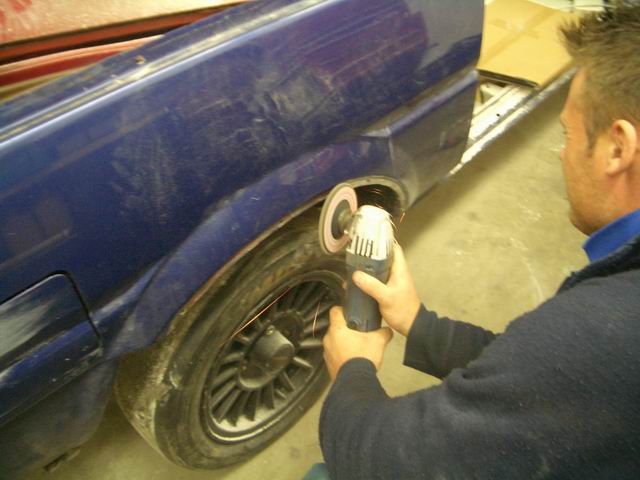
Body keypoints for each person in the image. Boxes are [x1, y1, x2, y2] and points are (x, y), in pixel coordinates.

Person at [319, 4, 640, 479]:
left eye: (567, 134)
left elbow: (387, 463)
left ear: (618, 149)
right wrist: (417, 322)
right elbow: (535, 376)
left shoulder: (605, 329)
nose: (561, 154)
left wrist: (353, 370)